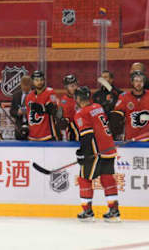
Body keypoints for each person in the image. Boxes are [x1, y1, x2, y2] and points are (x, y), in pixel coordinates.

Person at [73, 86, 119, 222]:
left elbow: (87, 136)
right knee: (107, 178)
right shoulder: (98, 107)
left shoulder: (81, 113)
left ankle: (87, 211)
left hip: (96, 151)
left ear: (78, 98)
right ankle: (114, 211)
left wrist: (83, 153)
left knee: (84, 178)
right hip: (109, 148)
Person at [110, 71, 149, 142]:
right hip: (130, 139)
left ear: (144, 82)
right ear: (132, 82)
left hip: (147, 139)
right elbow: (116, 118)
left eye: (141, 81)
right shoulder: (124, 97)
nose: (139, 83)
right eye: (136, 81)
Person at [25, 70, 59, 141]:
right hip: (32, 137)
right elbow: (28, 115)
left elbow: (53, 109)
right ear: (32, 81)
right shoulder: (29, 96)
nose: (39, 82)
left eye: (41, 80)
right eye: (36, 80)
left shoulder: (50, 92)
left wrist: (41, 107)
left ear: (44, 80)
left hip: (47, 135)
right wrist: (24, 126)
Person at [10, 75, 31, 140]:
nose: (25, 87)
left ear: (31, 85)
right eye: (23, 85)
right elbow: (12, 111)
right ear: (21, 85)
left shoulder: (35, 95)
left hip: (32, 126)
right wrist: (17, 113)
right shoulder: (16, 95)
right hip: (19, 127)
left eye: (27, 85)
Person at [58, 74, 78, 141]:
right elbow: (60, 119)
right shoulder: (62, 102)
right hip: (71, 131)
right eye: (71, 86)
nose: (74, 87)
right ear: (66, 87)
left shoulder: (82, 98)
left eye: (75, 85)